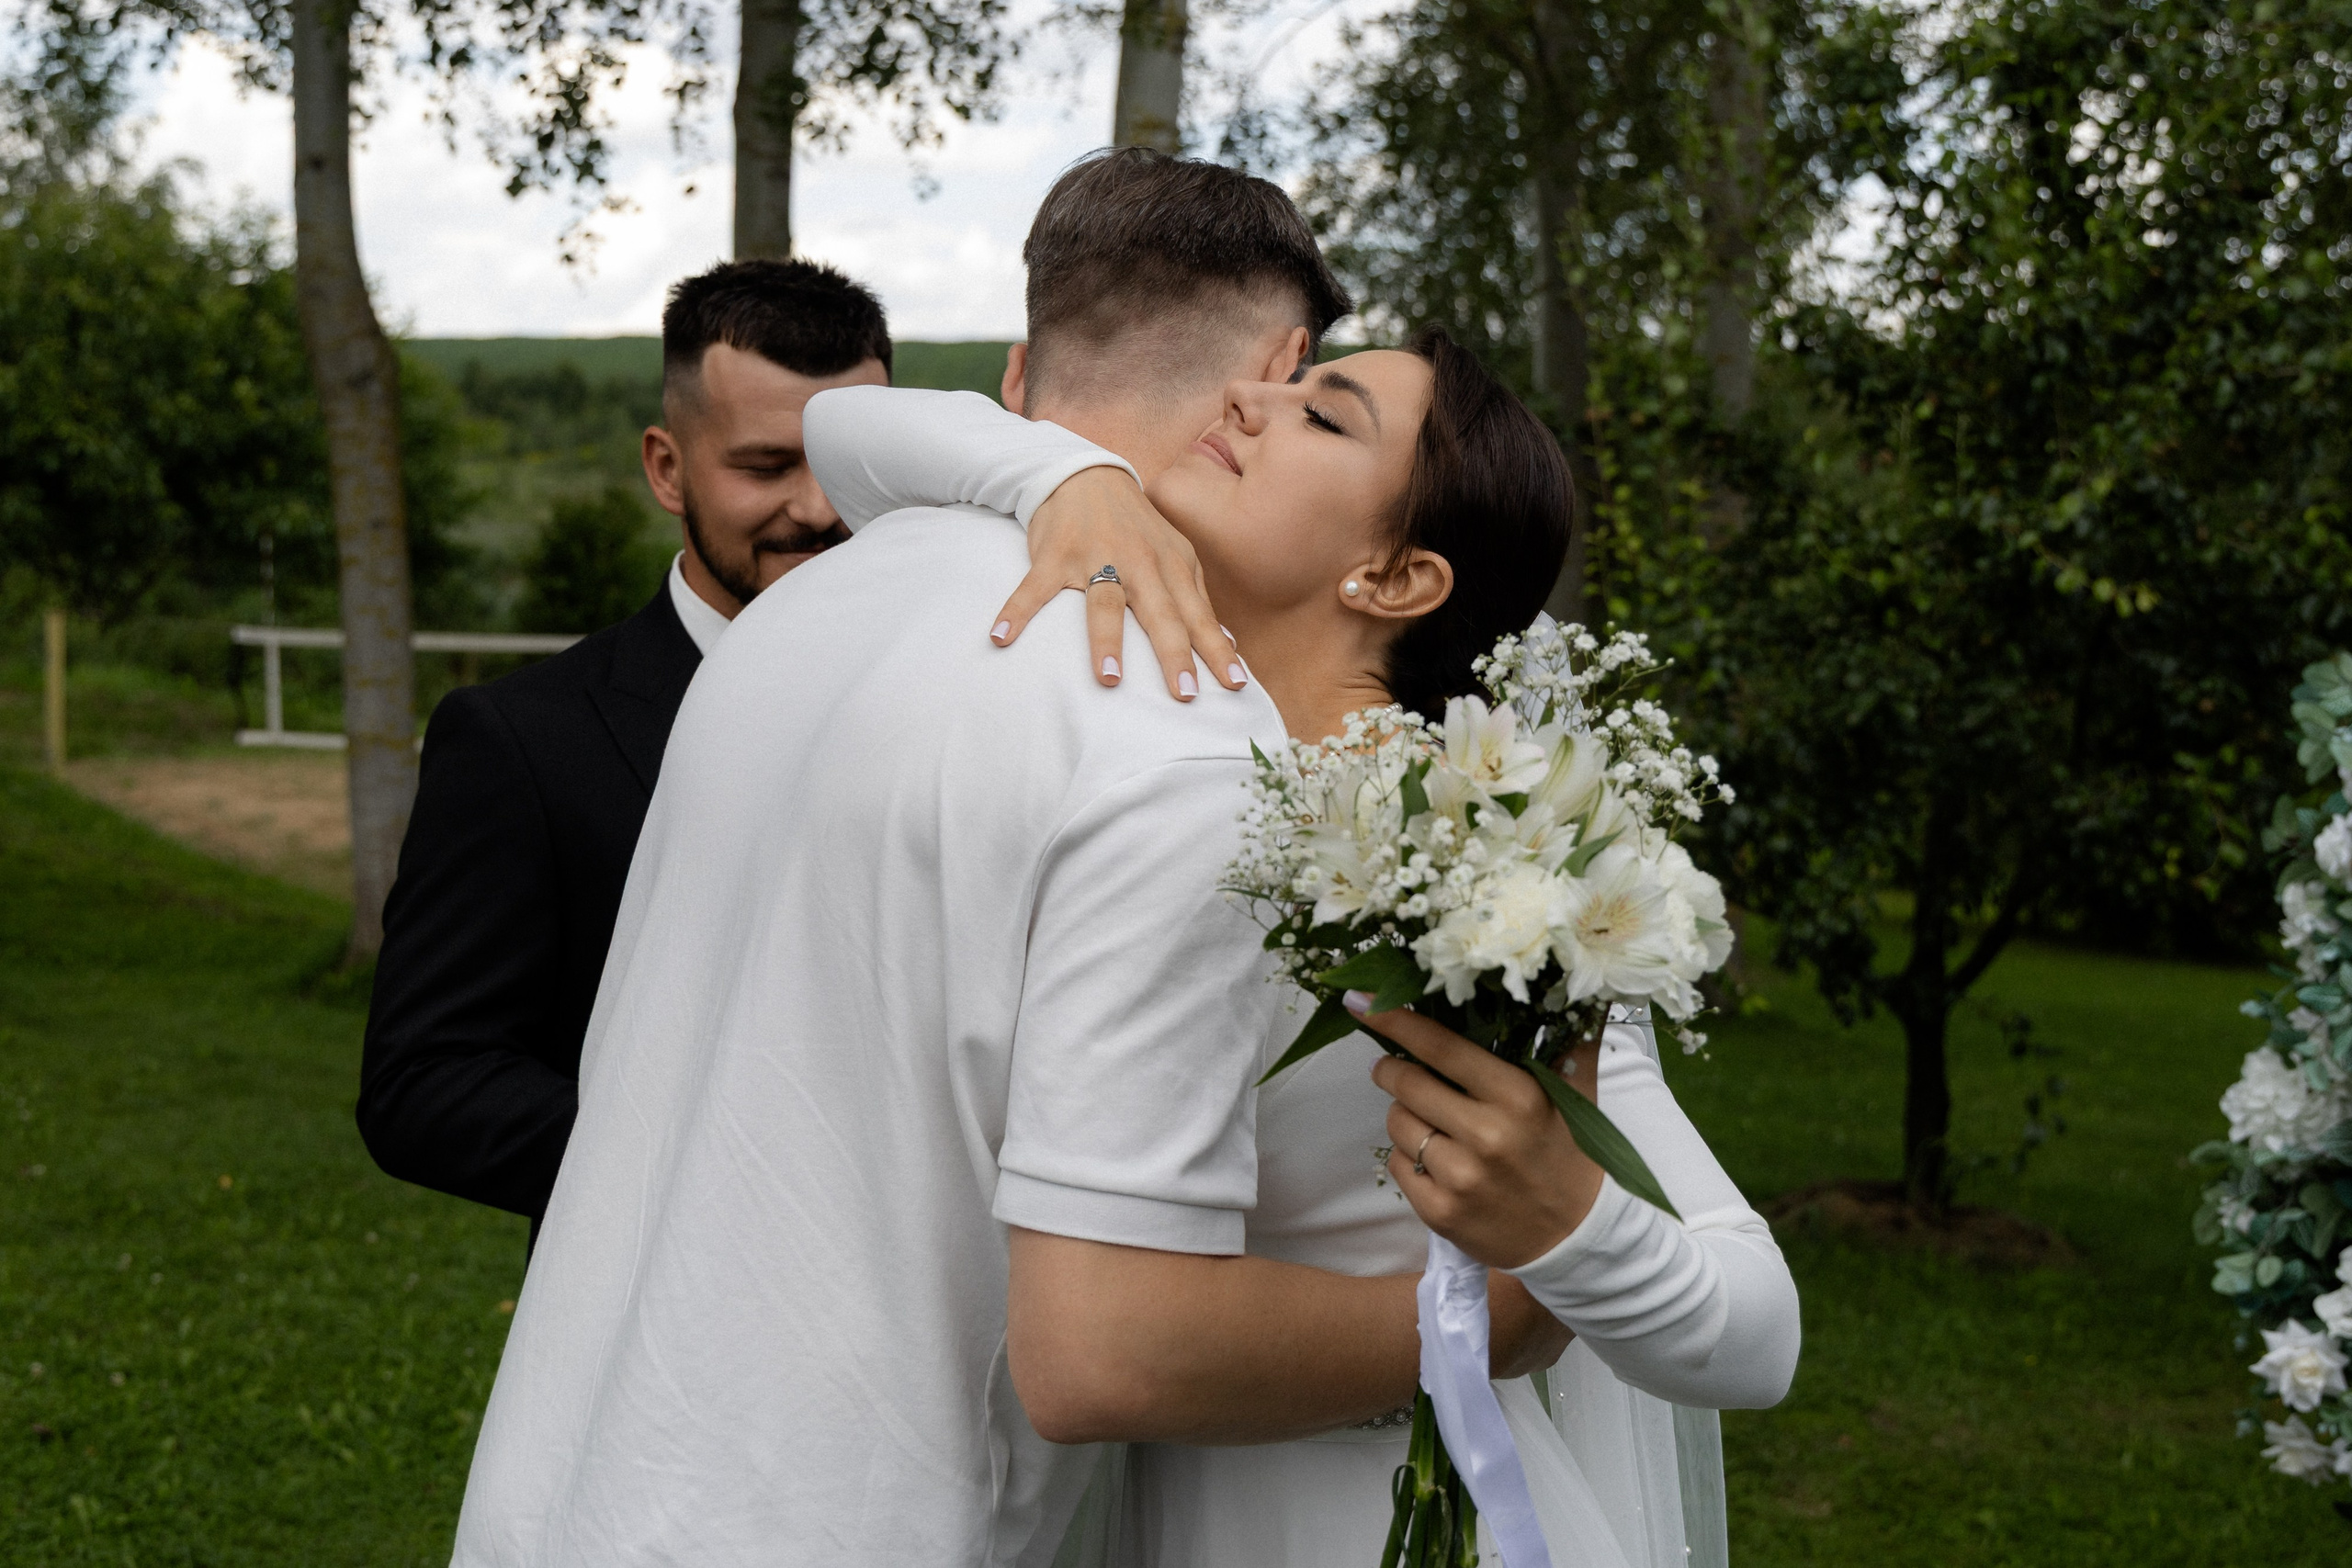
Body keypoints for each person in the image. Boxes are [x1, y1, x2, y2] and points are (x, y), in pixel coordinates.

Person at [447, 151, 1577, 1568]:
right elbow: (1107, 1349)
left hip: (553, 1494)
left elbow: (868, 439)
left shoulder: (815, 601)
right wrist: (1496, 1324)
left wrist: (1051, 467)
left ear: (1023, 355)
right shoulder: (1183, 736)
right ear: (1276, 365)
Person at [804, 337, 1800, 1564]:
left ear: (1394, 574)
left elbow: (1758, 1334)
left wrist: (1566, 1233)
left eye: (1323, 415)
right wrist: (1064, 481)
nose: (1245, 398)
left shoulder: (1493, 866)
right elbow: (840, 433)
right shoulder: (1169, 774)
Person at [355, 259, 891, 1235]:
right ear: (666, 468)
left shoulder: (957, 695)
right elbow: (424, 1086)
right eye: (766, 467)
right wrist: (733, 1168)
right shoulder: (521, 739)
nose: (816, 511)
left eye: (849, 472)